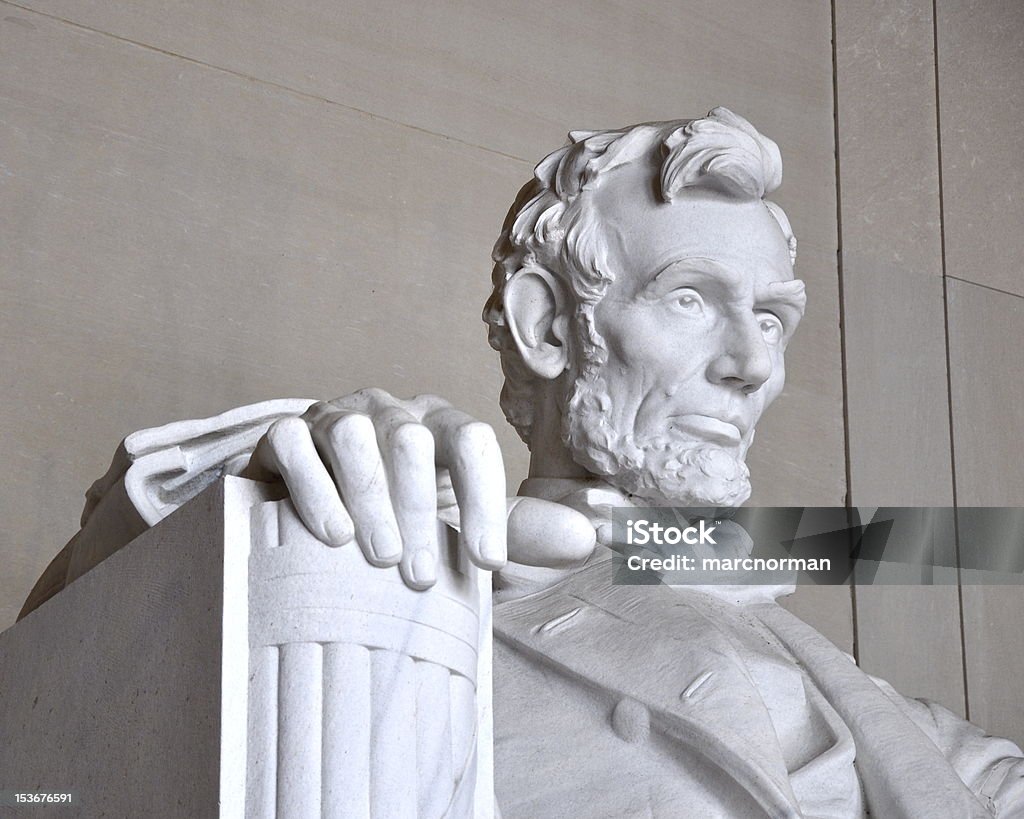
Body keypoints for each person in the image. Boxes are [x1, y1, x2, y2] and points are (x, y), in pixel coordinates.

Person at [21, 108, 1024, 817]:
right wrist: (272, 476)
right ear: (548, 324)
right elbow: (58, 675)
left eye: (769, 316)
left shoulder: (889, 712)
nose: (753, 364)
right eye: (691, 299)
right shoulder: (411, 564)